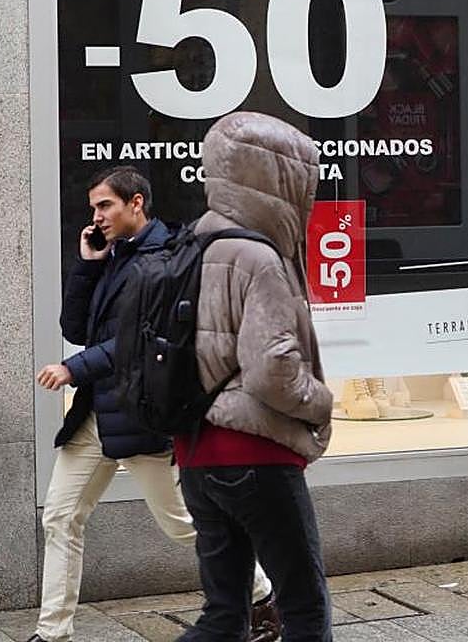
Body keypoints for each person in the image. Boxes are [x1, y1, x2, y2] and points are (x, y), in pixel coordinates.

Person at [30, 166, 279, 642]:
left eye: (105, 206)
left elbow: (138, 339)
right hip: (96, 415)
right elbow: (77, 329)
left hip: (140, 413)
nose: (97, 217)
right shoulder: (114, 256)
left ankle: (262, 598)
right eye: (93, 209)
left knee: (183, 524)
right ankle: (53, 633)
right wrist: (88, 264)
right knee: (60, 517)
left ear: (136, 203)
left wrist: (73, 369)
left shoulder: (167, 256)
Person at [174, 112, 334, 642]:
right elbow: (272, 372)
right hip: (258, 458)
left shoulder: (189, 243)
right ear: (277, 181)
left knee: (224, 616)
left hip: (197, 457)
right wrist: (320, 402)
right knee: (304, 609)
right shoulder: (259, 257)